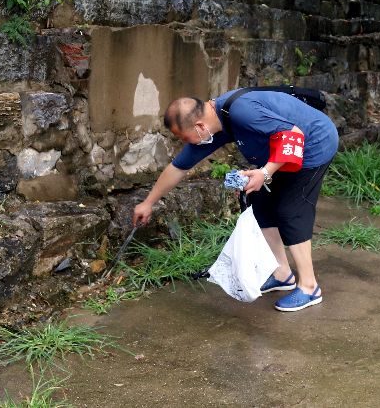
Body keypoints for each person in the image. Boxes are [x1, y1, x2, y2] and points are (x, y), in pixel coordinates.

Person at [132, 89, 339, 312]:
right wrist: (148, 202)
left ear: (199, 126)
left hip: (314, 144)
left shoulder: (242, 111)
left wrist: (265, 173)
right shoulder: (217, 122)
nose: (184, 142)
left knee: (290, 210)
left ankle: (309, 287)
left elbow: (294, 136)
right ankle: (282, 274)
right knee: (260, 204)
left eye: (183, 137)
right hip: (281, 152)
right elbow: (178, 167)